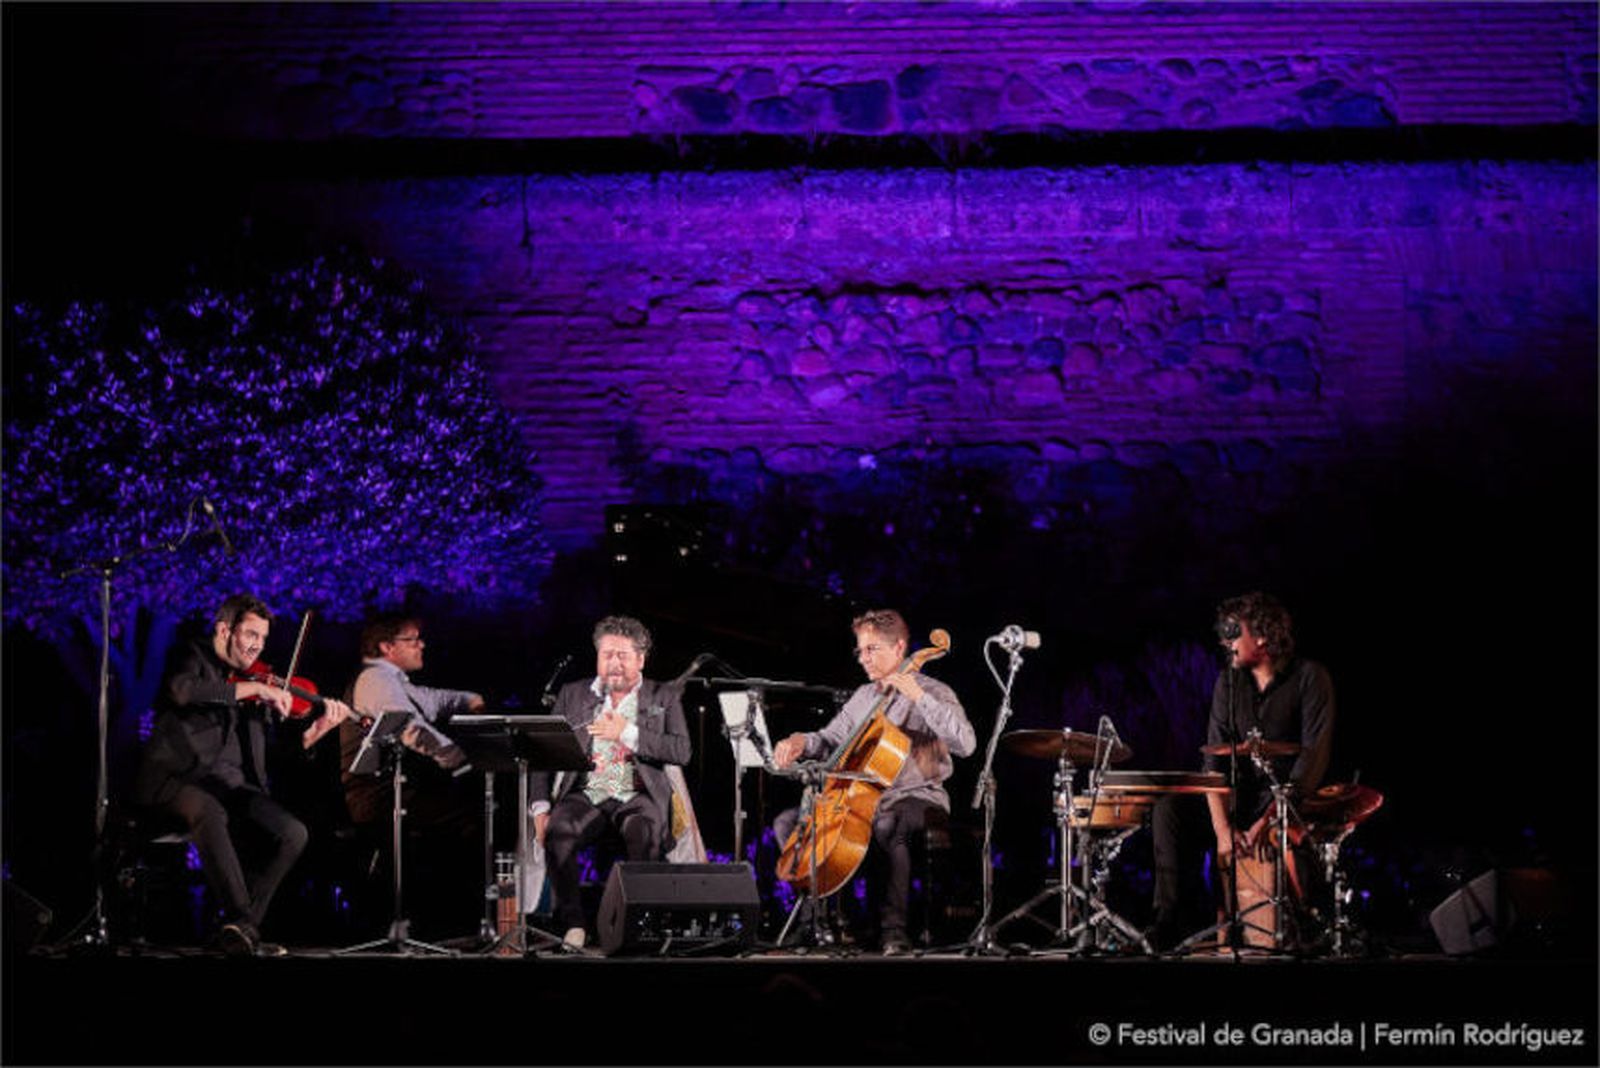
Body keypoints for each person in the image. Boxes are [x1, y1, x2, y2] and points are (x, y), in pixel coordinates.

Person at [132, 593, 355, 956]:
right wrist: (253, 687)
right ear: (224, 629)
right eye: (250, 635)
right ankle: (242, 922)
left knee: (293, 833)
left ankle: (238, 929)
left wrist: (315, 732)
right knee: (208, 808)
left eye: (263, 639)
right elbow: (183, 691)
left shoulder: (259, 684)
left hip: (232, 788)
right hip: (176, 780)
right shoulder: (193, 655)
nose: (257, 646)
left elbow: (272, 757)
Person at [772, 609, 974, 955]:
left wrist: (919, 698)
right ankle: (815, 924)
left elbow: (966, 744)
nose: (863, 658)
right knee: (789, 823)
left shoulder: (934, 691)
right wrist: (800, 741)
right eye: (860, 650)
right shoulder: (864, 696)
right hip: (863, 796)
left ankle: (892, 930)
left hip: (918, 796)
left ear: (899, 648)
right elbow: (830, 738)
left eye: (872, 650)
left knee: (887, 823)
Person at [1149, 591, 1335, 951]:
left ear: (1262, 636)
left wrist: (1266, 821)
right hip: (1237, 801)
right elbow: (1213, 761)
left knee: (1293, 819)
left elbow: (1312, 760)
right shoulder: (1228, 684)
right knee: (1169, 809)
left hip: (1286, 803)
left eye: (1234, 631)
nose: (1225, 640)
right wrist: (1222, 829)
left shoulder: (1311, 678)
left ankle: (1308, 925)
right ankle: (1169, 922)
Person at [531, 615, 691, 949]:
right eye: (607, 655)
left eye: (622, 655)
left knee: (645, 832)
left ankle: (633, 923)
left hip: (638, 792)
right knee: (558, 833)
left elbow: (681, 750)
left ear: (640, 659)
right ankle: (574, 924)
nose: (614, 663)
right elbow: (544, 751)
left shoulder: (664, 696)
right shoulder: (573, 694)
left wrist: (628, 733)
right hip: (587, 791)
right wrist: (540, 807)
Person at [340, 612, 486, 932]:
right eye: (412, 639)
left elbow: (430, 700)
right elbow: (411, 728)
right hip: (377, 795)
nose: (422, 644)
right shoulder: (376, 680)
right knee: (475, 816)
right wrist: (459, 759)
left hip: (395, 790)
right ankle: (448, 918)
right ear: (386, 647)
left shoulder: (391, 679)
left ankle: (439, 915)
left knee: (465, 810)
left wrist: (470, 700)